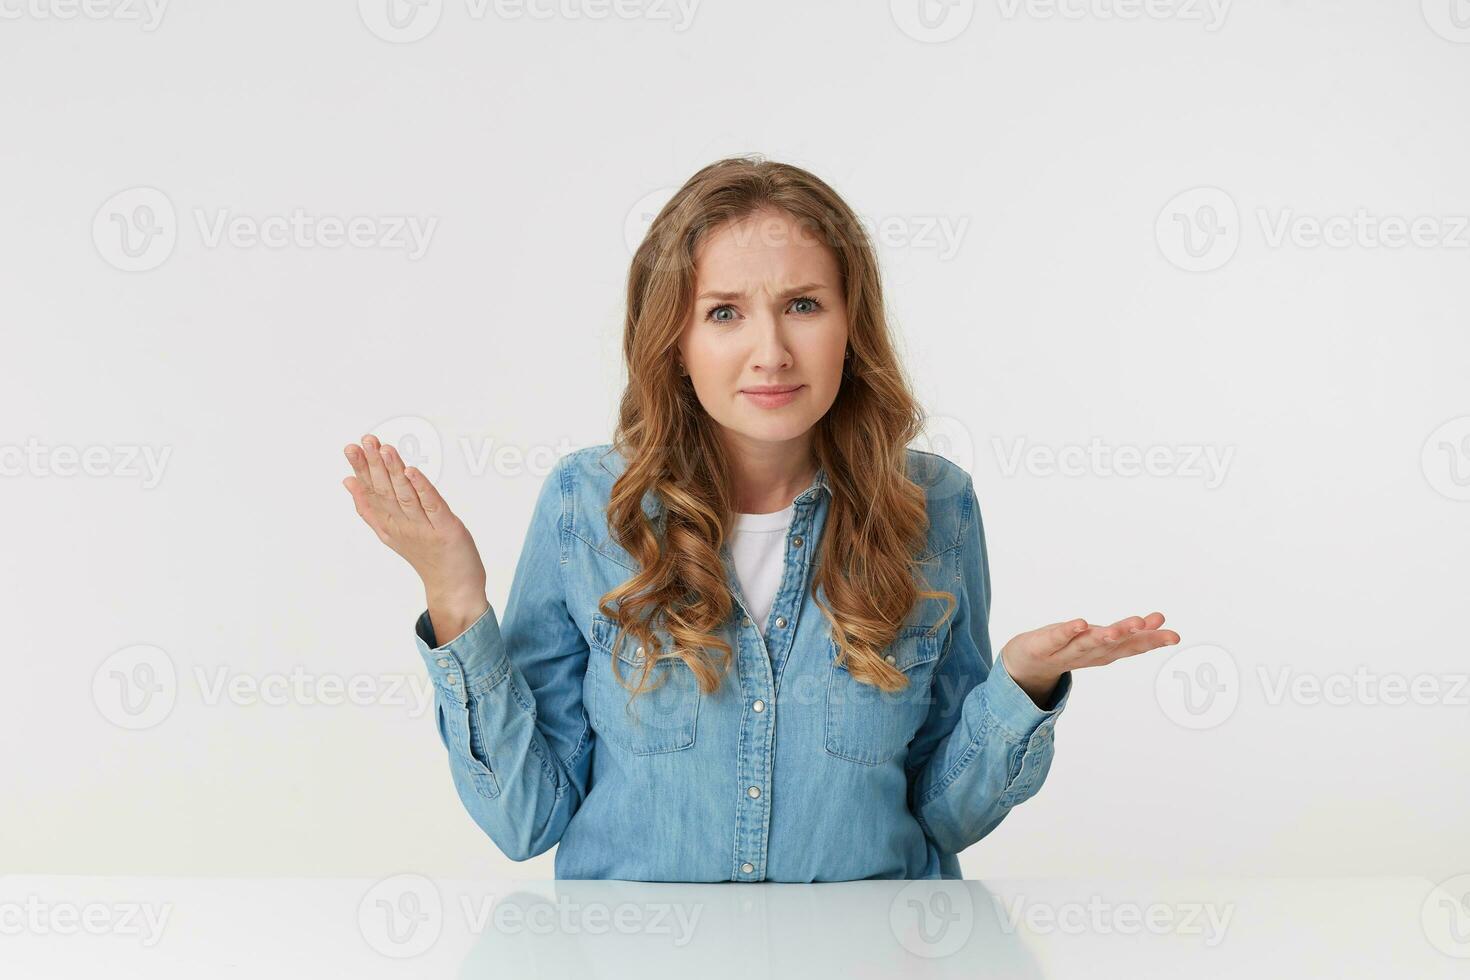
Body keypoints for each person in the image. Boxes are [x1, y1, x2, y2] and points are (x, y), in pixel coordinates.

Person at [340, 156, 1179, 881]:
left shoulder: (936, 508)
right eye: (725, 312)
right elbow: (524, 820)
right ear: (674, 340)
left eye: (805, 305)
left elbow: (945, 816)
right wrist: (452, 594)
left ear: (852, 325)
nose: (771, 351)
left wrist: (1021, 685)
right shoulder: (585, 506)